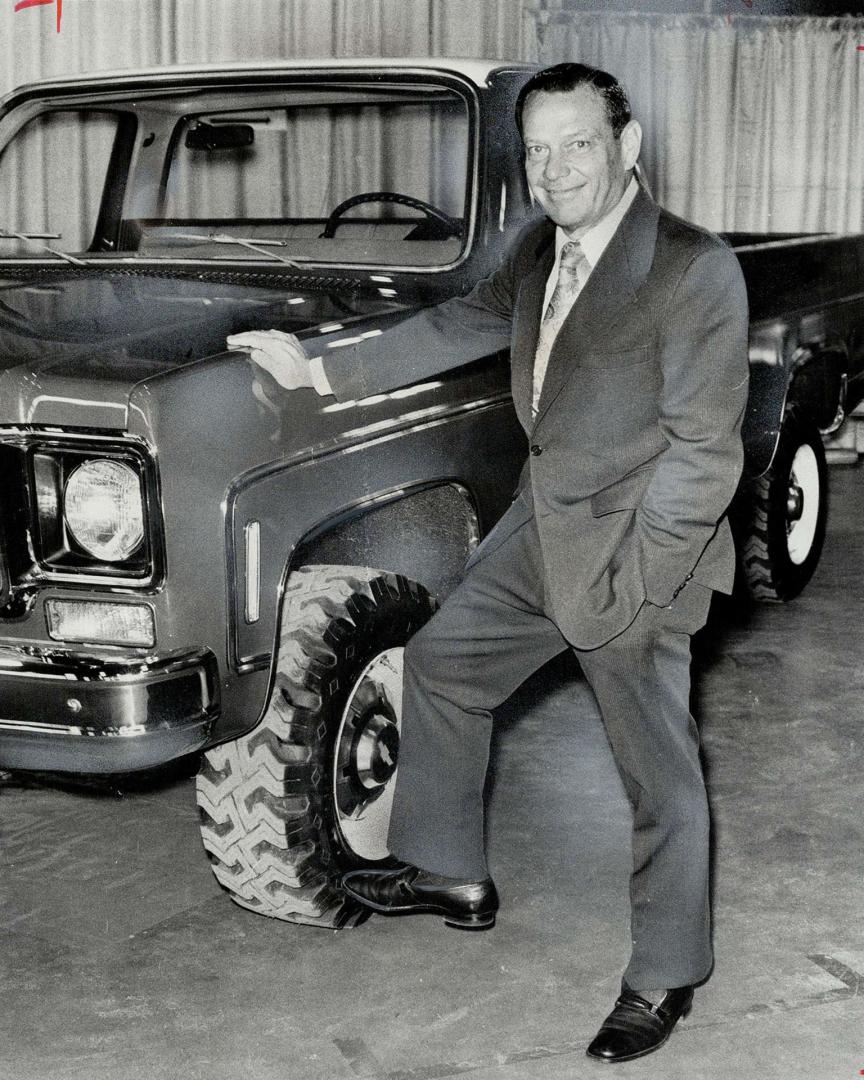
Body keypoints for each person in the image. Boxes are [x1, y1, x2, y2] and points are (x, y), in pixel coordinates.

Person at [227, 62, 749, 1064]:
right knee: (446, 663)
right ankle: (450, 868)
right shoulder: (537, 247)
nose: (555, 170)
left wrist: (633, 589)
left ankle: (666, 974)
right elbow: (453, 326)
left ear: (628, 148)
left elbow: (703, 455)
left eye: (579, 144)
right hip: (546, 523)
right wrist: (321, 367)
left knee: (659, 776)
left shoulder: (692, 269)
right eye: (539, 149)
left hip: (644, 551)